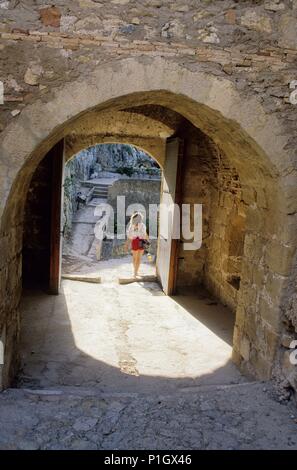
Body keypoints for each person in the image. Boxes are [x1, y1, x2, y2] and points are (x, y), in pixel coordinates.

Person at [126, 212, 149, 278]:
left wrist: (147, 242)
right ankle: (135, 271)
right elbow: (129, 236)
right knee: (135, 258)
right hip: (135, 241)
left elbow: (144, 234)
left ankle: (135, 272)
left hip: (141, 241)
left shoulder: (142, 225)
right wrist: (127, 244)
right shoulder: (131, 226)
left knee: (138, 258)